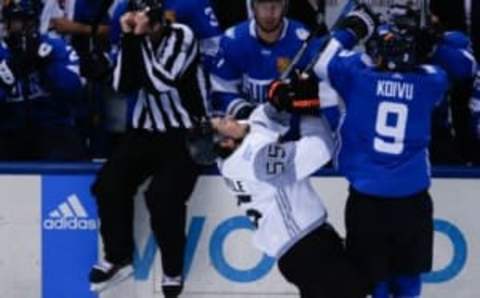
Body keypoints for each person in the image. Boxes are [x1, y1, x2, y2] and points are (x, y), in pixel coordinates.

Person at [300, 3, 476, 297]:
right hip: (412, 200)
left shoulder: (357, 76)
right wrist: (433, 44)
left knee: (375, 282)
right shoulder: (430, 81)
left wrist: (353, 28)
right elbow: (466, 66)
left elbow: (318, 59)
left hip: (368, 201)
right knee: (408, 280)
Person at [186, 102, 370, 298]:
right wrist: (309, 110)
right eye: (224, 121)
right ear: (225, 143)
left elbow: (259, 122)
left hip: (300, 250)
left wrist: (277, 101)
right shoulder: (256, 161)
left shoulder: (229, 159)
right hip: (307, 251)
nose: (231, 118)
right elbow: (321, 148)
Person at [88, 1, 209, 297]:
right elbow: (122, 84)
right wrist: (131, 38)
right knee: (108, 185)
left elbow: (160, 81)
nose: (147, 28)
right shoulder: (130, 38)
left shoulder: (182, 36)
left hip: (185, 134)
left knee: (163, 197)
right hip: (143, 132)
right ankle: (118, 254)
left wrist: (135, 39)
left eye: (150, 24)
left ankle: (172, 268)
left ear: (161, 22)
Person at [210, 0, 335, 120]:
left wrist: (298, 102)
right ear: (252, 6)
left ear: (285, 5)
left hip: (290, 129)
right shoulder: (233, 40)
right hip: (246, 128)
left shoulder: (302, 40)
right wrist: (244, 112)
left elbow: (321, 93)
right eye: (262, 4)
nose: (269, 13)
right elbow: (221, 89)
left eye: (275, 4)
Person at [0, 0, 87, 161]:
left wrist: (47, 66)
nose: (22, 29)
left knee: (66, 144)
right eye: (16, 23)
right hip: (7, 130)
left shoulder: (55, 47)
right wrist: (8, 74)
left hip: (53, 128)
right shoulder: (2, 52)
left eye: (28, 23)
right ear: (6, 24)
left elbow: (74, 91)